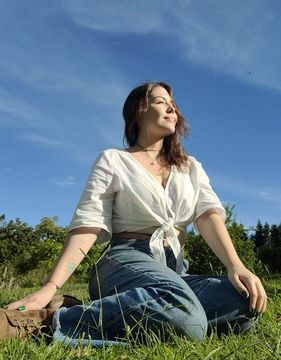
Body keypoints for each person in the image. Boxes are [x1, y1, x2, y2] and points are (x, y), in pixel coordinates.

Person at [1, 81, 267, 346]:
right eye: (161, 101)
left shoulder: (190, 167)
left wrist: (236, 266)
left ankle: (120, 312)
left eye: (173, 105)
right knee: (186, 315)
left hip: (173, 271)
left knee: (242, 299)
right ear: (139, 111)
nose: (171, 108)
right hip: (124, 260)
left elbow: (208, 215)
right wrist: (50, 287)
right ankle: (48, 322)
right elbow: (88, 225)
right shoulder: (113, 160)